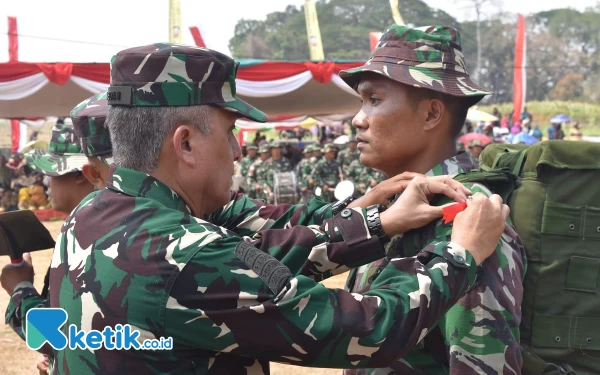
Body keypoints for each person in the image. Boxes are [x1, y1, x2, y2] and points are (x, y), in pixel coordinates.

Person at [5, 43, 507, 374]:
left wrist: (375, 221)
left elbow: (258, 256)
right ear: (184, 144)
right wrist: (460, 254)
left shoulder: (92, 214)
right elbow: (368, 327)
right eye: (229, 134)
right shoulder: (188, 253)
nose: (240, 151)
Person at [338, 25, 526, 374]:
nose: (358, 119)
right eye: (361, 102)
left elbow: (480, 361)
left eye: (374, 100)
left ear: (431, 114)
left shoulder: (466, 214)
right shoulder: (393, 204)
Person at [2, 120, 109, 375]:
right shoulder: (100, 226)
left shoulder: (89, 238)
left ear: (84, 175)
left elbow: (58, 336)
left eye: (52, 172)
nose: (45, 182)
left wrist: (21, 289)